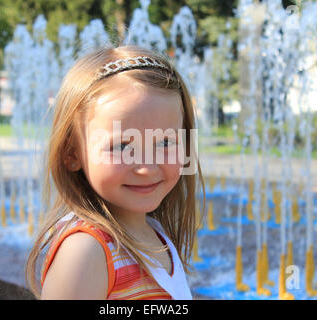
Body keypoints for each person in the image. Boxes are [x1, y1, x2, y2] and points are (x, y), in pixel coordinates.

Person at [26, 45, 205, 300]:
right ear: (71, 153)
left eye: (165, 142)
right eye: (122, 146)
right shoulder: (86, 251)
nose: (146, 168)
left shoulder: (155, 234)